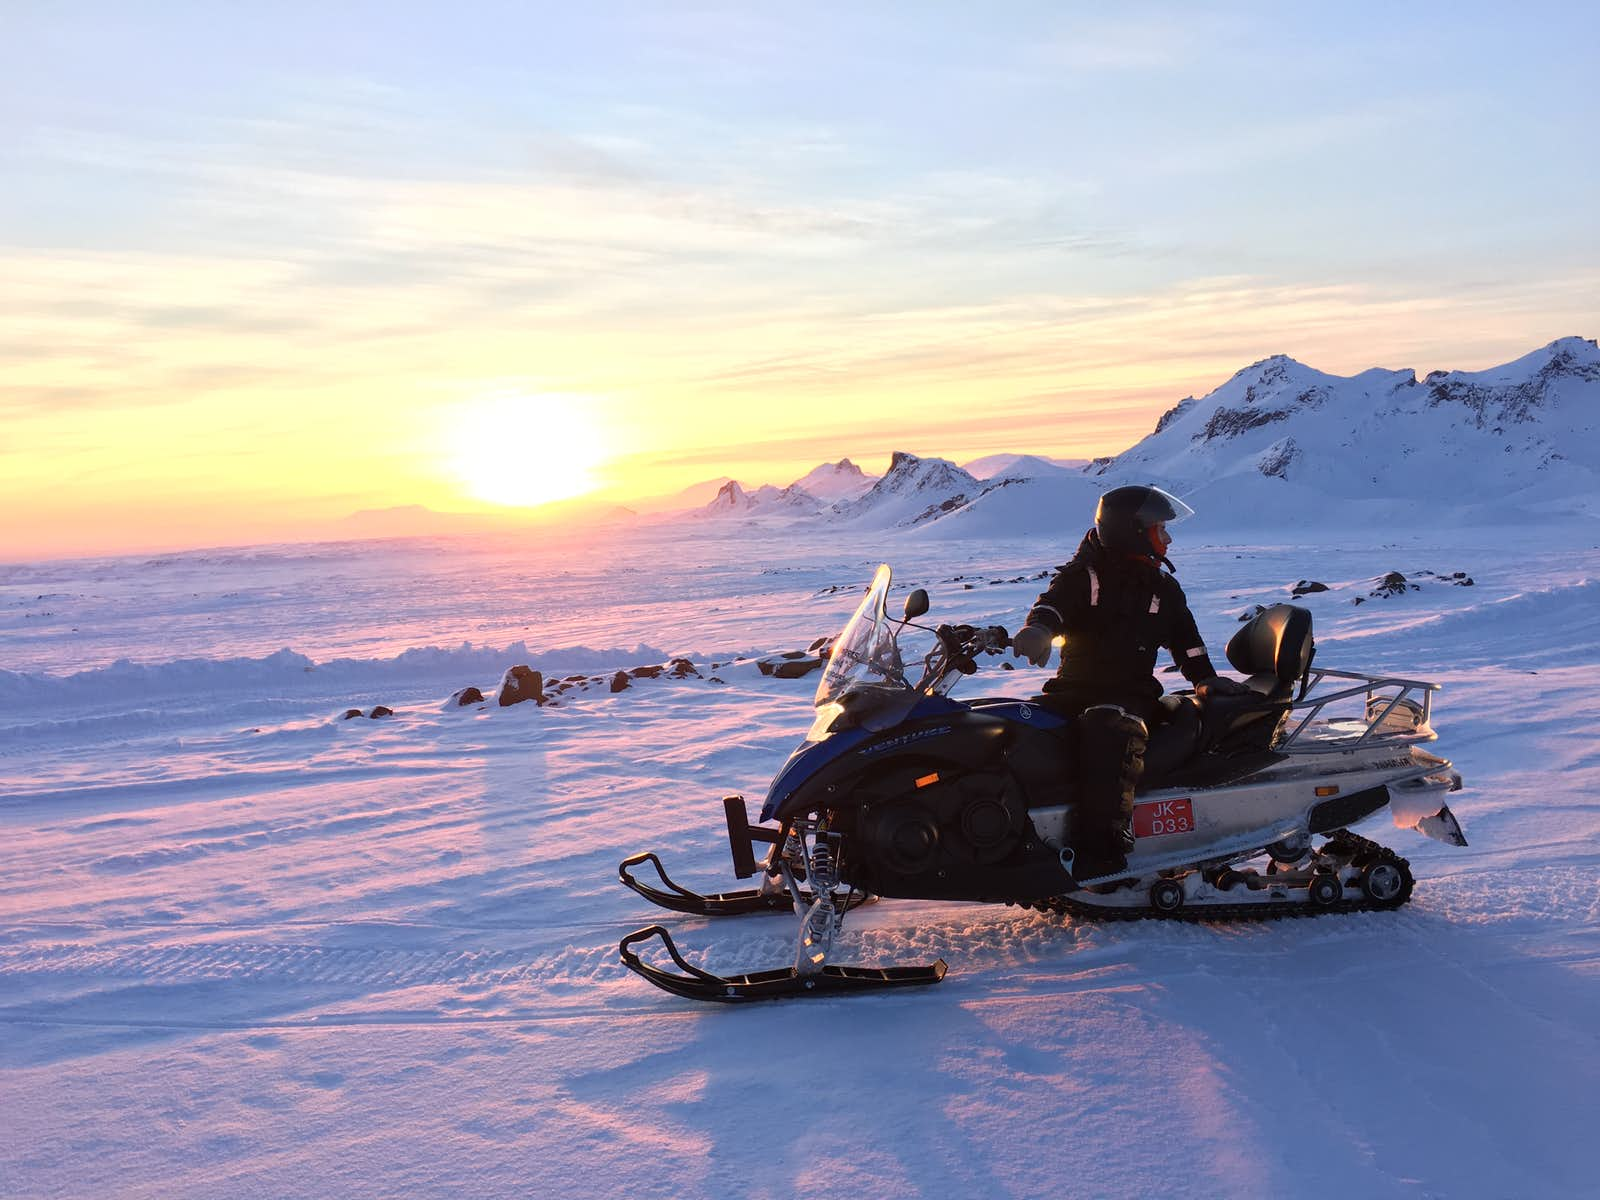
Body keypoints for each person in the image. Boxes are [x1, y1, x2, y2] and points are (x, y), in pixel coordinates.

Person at [1011, 485, 1249, 878]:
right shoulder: (1084, 576)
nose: (1168, 538)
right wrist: (1038, 629)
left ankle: (1102, 852)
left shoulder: (1163, 588)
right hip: (1072, 692)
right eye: (1160, 529)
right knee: (1015, 725)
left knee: (1108, 726)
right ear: (1133, 531)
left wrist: (1205, 679)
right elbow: (1053, 603)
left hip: (1130, 698)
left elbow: (1186, 643)